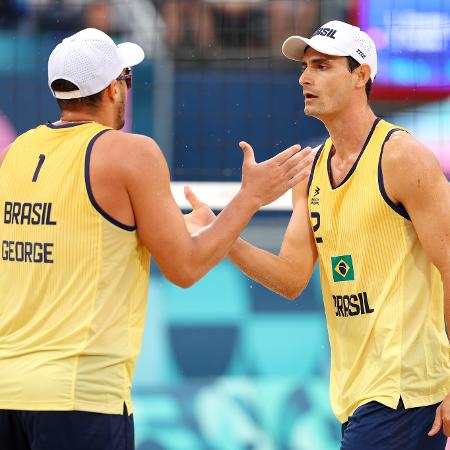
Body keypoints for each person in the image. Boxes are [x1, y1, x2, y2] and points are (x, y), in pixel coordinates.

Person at [0, 28, 313, 450]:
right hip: (79, 396)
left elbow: (81, 235)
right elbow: (184, 268)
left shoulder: (19, 150)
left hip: (8, 389)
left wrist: (166, 231)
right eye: (127, 78)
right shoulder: (130, 152)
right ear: (113, 88)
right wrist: (250, 197)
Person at [185, 20, 450, 450]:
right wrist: (223, 233)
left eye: (323, 66)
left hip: (405, 393)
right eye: (305, 66)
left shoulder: (402, 157)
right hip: (355, 397)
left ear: (361, 75)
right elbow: (291, 279)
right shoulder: (310, 172)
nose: (304, 77)